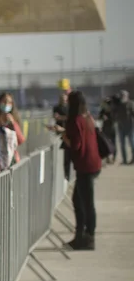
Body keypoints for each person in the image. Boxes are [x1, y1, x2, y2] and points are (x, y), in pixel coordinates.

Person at [58, 91, 102, 250]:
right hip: (93, 164)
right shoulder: (87, 118)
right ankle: (82, 235)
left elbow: (75, 145)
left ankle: (88, 236)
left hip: (85, 166)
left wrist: (64, 136)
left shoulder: (75, 120)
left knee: (86, 203)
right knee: (80, 200)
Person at [0, 93, 26, 163]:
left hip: (11, 158)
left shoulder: (14, 120)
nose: (6, 104)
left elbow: (20, 140)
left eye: (9, 102)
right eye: (4, 101)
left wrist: (13, 124)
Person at [113, 90, 134, 164]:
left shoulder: (131, 104)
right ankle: (124, 160)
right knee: (122, 144)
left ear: (127, 96)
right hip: (121, 127)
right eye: (121, 95)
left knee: (132, 143)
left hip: (130, 126)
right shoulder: (118, 105)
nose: (122, 97)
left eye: (124, 95)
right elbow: (114, 114)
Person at [99, 97, 117, 164]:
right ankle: (107, 158)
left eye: (108, 103)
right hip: (105, 129)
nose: (106, 105)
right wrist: (102, 116)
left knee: (113, 144)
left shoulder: (113, 110)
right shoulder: (103, 110)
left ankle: (113, 158)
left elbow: (115, 119)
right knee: (106, 144)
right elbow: (99, 117)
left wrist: (108, 118)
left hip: (112, 129)